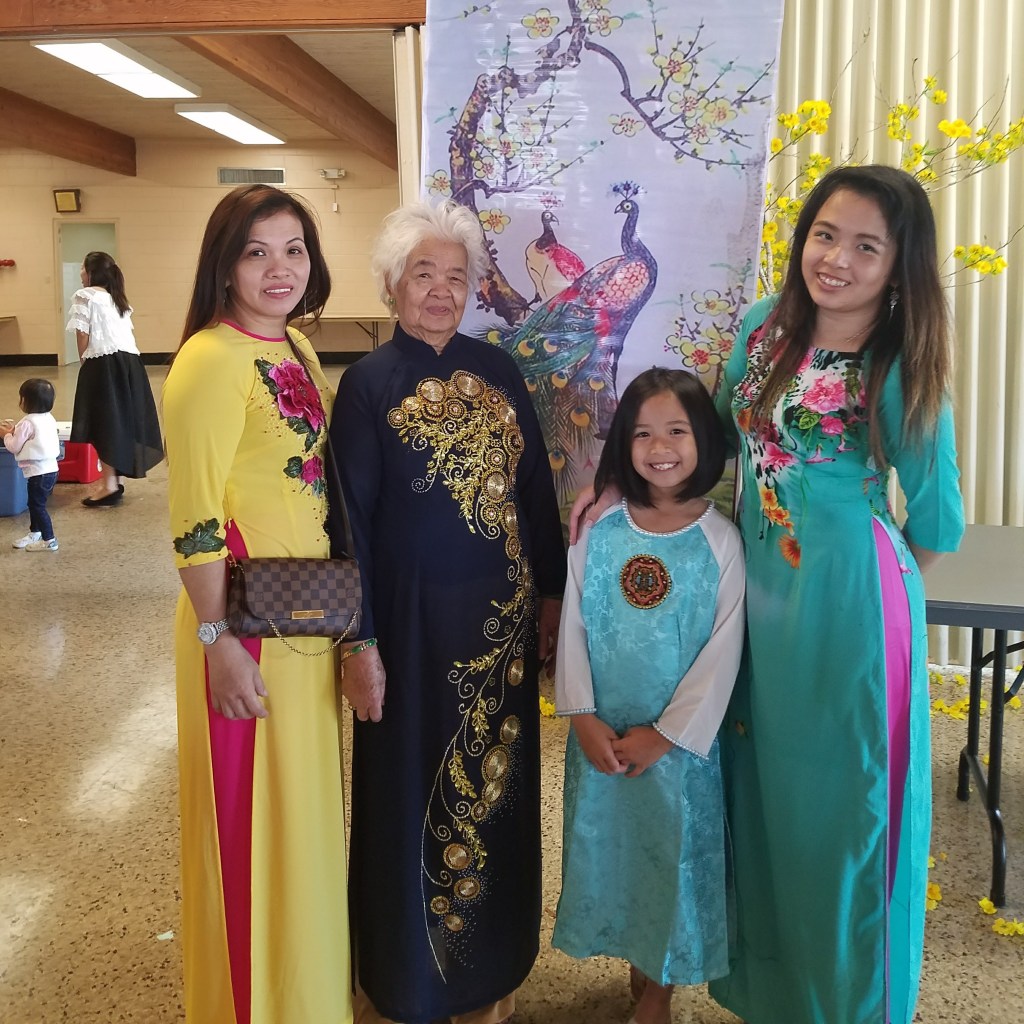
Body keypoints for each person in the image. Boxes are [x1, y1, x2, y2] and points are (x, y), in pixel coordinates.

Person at [573, 165, 965, 1024]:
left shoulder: (901, 363)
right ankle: (775, 998)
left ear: (899, 265)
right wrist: (611, 489)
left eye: (867, 246)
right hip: (755, 604)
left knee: (845, 817)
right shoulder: (760, 332)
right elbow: (704, 449)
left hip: (851, 616)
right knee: (764, 803)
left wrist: (866, 600)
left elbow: (937, 523)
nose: (836, 259)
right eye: (826, 234)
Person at [329, 199, 566, 1024]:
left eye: (454, 276)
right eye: (421, 274)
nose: (439, 290)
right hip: (405, 630)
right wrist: (358, 642)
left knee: (493, 795)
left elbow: (535, 492)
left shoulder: (499, 372)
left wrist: (550, 596)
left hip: (495, 634)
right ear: (393, 284)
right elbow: (348, 520)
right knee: (403, 797)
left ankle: (487, 974)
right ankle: (402, 980)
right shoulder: (364, 386)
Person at [162, 184, 352, 1024]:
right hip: (242, 629)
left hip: (302, 615)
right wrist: (217, 643)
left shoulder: (297, 348)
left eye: (295, 250)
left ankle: (306, 993)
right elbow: (196, 524)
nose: (280, 269)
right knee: (248, 831)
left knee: (302, 822)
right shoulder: (209, 359)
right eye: (257, 251)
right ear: (225, 263)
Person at [552, 368, 745, 1024]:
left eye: (676, 431)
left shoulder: (719, 542)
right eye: (642, 433)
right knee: (616, 854)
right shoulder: (599, 532)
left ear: (704, 441)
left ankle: (659, 991)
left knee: (670, 860)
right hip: (602, 739)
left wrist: (666, 735)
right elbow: (573, 626)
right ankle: (636, 964)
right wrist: (580, 715)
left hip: (676, 755)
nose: (659, 446)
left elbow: (722, 655)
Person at [66, 250, 162, 505]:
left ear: (92, 271)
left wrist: (85, 362)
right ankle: (113, 481)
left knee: (102, 422)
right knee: (119, 421)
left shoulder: (85, 296)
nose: (81, 273)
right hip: (131, 364)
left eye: (83, 268)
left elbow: (82, 335)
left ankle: (108, 485)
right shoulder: (117, 299)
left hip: (103, 363)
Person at [2, 378, 61, 552]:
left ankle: (49, 540)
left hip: (38, 473)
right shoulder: (47, 418)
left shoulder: (27, 422)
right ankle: (35, 532)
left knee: (37, 506)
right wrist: (14, 431)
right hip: (50, 470)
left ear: (26, 401)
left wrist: (6, 435)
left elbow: (14, 446)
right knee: (34, 503)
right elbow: (32, 438)